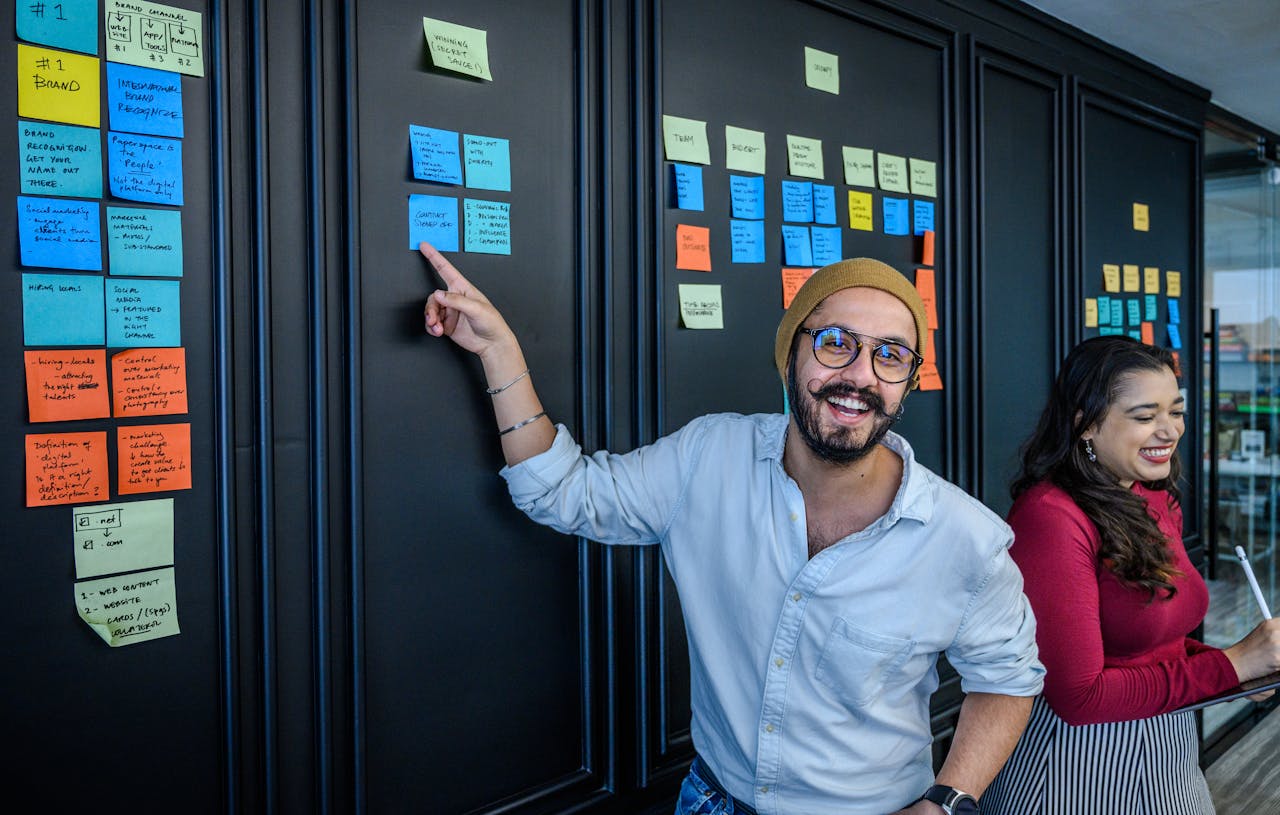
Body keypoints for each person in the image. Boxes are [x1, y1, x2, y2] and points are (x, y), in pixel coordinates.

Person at [418, 241, 1044, 815]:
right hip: (712, 800)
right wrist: (499, 351)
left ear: (907, 383)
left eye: (890, 356)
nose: (858, 375)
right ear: (790, 353)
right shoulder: (708, 457)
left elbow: (1009, 680)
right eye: (834, 342)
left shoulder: (966, 540)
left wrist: (945, 802)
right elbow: (563, 492)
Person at [981, 336, 1280, 815]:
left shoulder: (1153, 495)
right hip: (1076, 770)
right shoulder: (1052, 517)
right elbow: (1079, 698)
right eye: (1145, 417)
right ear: (1085, 425)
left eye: (1176, 411)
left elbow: (1153, 642)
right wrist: (1233, 665)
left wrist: (1239, 669)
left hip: (1170, 753)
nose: (1169, 431)